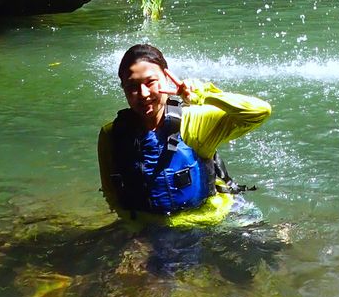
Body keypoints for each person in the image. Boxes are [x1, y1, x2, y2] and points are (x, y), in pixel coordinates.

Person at [98, 43, 271, 228]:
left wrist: (204, 95)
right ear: (123, 87)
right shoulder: (112, 134)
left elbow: (260, 112)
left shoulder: (194, 121)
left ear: (166, 78)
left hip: (217, 218)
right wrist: (134, 231)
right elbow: (111, 193)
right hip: (156, 230)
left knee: (271, 249)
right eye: (132, 86)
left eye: (150, 82)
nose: (143, 94)